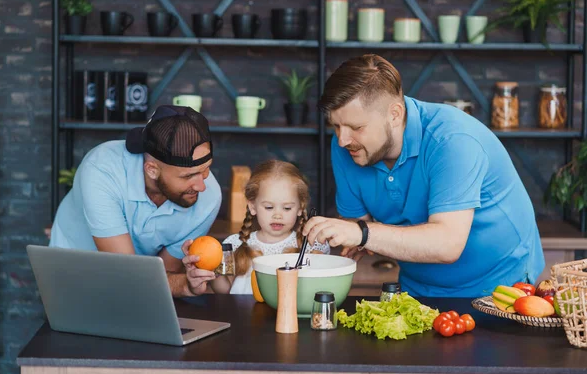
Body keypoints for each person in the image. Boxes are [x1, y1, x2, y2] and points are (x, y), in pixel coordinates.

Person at [303, 54, 545, 297]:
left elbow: (447, 244)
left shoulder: (453, 140)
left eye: (357, 127)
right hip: (418, 284)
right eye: (336, 125)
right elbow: (358, 227)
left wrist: (363, 234)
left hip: (499, 285)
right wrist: (349, 234)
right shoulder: (347, 146)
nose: (342, 139)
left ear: (395, 114)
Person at [49, 105, 222, 297]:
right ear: (152, 170)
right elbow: (127, 274)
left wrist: (187, 282)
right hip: (74, 276)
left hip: (137, 287)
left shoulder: (208, 199)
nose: (201, 186)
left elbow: (155, 278)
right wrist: (184, 285)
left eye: (206, 169)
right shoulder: (101, 171)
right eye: (188, 176)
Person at [186, 160, 330, 295]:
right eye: (269, 207)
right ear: (252, 206)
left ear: (300, 207)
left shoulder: (310, 246)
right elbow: (224, 290)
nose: (277, 215)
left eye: (287, 208)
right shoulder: (236, 244)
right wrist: (211, 270)